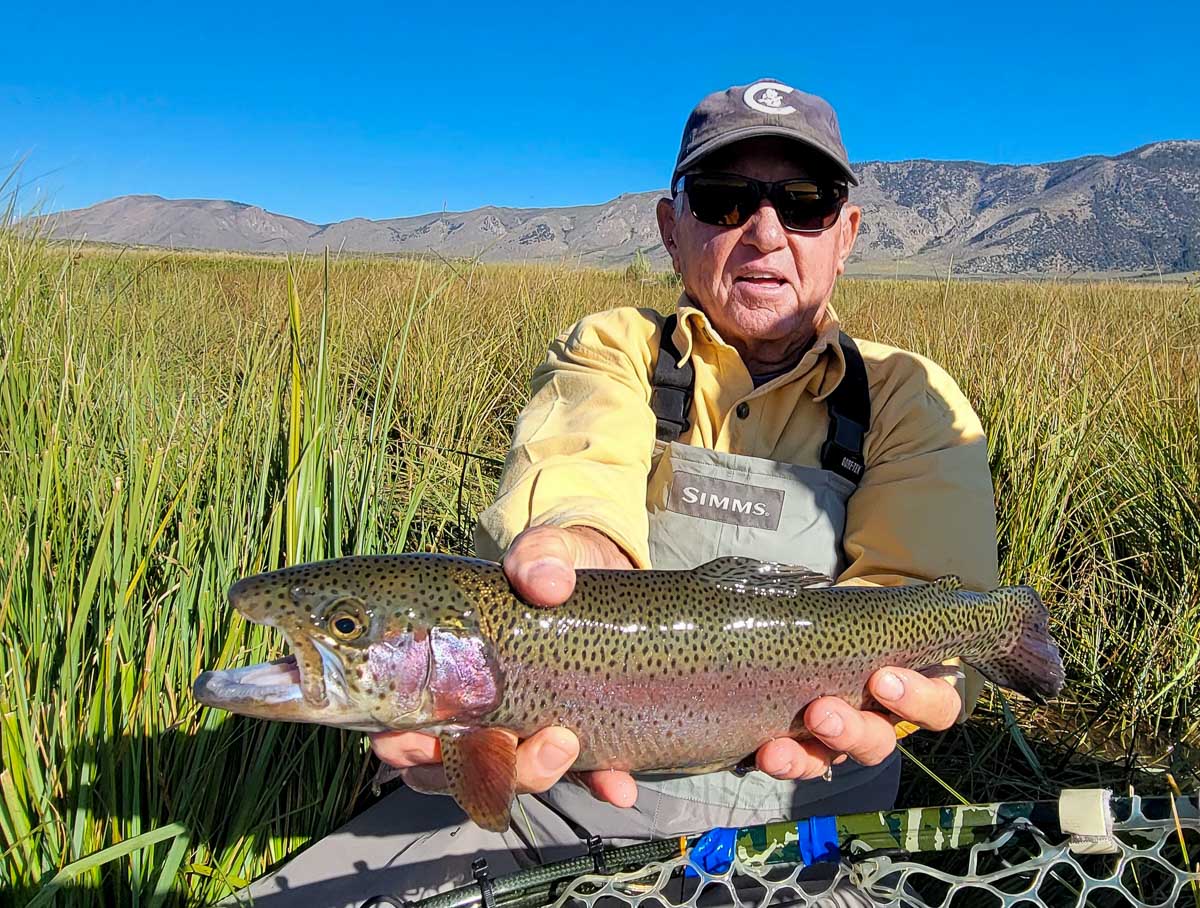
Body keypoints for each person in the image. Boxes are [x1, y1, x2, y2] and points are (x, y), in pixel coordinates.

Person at [239, 78, 999, 908]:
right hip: (554, 807)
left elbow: (918, 601)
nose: (765, 234)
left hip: (808, 820)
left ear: (845, 234)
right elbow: (576, 471)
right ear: (672, 232)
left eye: (805, 203)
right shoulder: (613, 347)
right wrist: (571, 542)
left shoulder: (911, 396)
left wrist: (921, 686)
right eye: (722, 200)